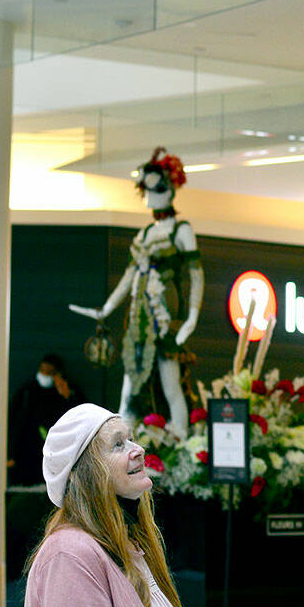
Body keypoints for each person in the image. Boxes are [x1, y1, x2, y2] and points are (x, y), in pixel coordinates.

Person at [19, 403, 208, 607]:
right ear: (83, 473)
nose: (138, 449)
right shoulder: (68, 555)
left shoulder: (129, 546)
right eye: (118, 445)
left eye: (130, 438)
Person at [70, 148, 204, 435]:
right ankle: (121, 443)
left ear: (169, 188)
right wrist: (106, 308)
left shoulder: (181, 230)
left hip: (165, 317)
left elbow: (196, 274)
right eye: (146, 188)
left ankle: (179, 437)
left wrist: (192, 317)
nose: (150, 195)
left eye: (157, 187)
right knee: (129, 385)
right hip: (139, 317)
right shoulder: (144, 234)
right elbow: (130, 276)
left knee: (170, 383)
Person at [7, 353, 82, 486]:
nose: (44, 375)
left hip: (55, 459)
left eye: (50, 372)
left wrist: (67, 397)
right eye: (42, 371)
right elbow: (14, 424)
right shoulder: (27, 392)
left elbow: (79, 420)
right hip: (27, 459)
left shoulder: (68, 393)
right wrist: (11, 454)